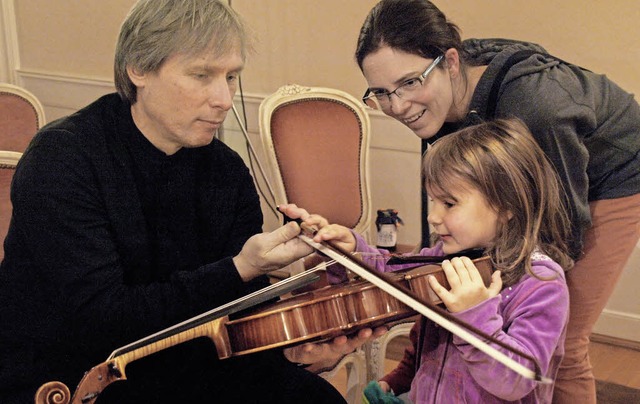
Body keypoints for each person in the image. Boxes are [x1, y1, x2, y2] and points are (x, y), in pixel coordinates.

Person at [0, 1, 378, 402]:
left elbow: (235, 317)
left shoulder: (226, 170)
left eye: (231, 77)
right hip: (77, 375)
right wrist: (239, 268)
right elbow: (104, 320)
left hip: (187, 361)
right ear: (139, 69)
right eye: (201, 75)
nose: (223, 99)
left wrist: (296, 350)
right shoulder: (63, 159)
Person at [354, 1, 640, 402]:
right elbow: (438, 243)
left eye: (409, 83)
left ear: (450, 63)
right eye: (382, 93)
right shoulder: (436, 101)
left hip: (612, 176)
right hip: (536, 178)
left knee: (567, 340)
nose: (397, 106)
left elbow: (560, 235)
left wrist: (505, 304)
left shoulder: (537, 107)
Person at [283, 118, 574, 403]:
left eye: (449, 203)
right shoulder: (445, 256)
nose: (433, 217)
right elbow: (390, 273)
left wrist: (475, 317)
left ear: (507, 204)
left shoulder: (541, 284)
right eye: (432, 201)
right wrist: (351, 252)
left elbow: (516, 381)